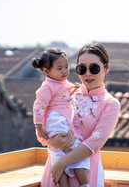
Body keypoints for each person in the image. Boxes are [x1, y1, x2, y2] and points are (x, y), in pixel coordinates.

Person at [40, 43, 121, 186]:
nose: (88, 73)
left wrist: (62, 163)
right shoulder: (65, 94)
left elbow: (94, 143)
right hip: (55, 174)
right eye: (82, 69)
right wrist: (51, 141)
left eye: (94, 68)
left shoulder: (111, 104)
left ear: (107, 68)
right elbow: (44, 125)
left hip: (86, 176)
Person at [32, 48, 90, 187]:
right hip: (56, 120)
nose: (64, 71)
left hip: (64, 120)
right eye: (59, 68)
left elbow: (67, 91)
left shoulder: (62, 82)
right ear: (46, 71)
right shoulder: (47, 86)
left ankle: (83, 184)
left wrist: (74, 89)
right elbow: (38, 107)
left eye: (66, 67)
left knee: (66, 154)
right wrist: (39, 128)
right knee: (65, 152)